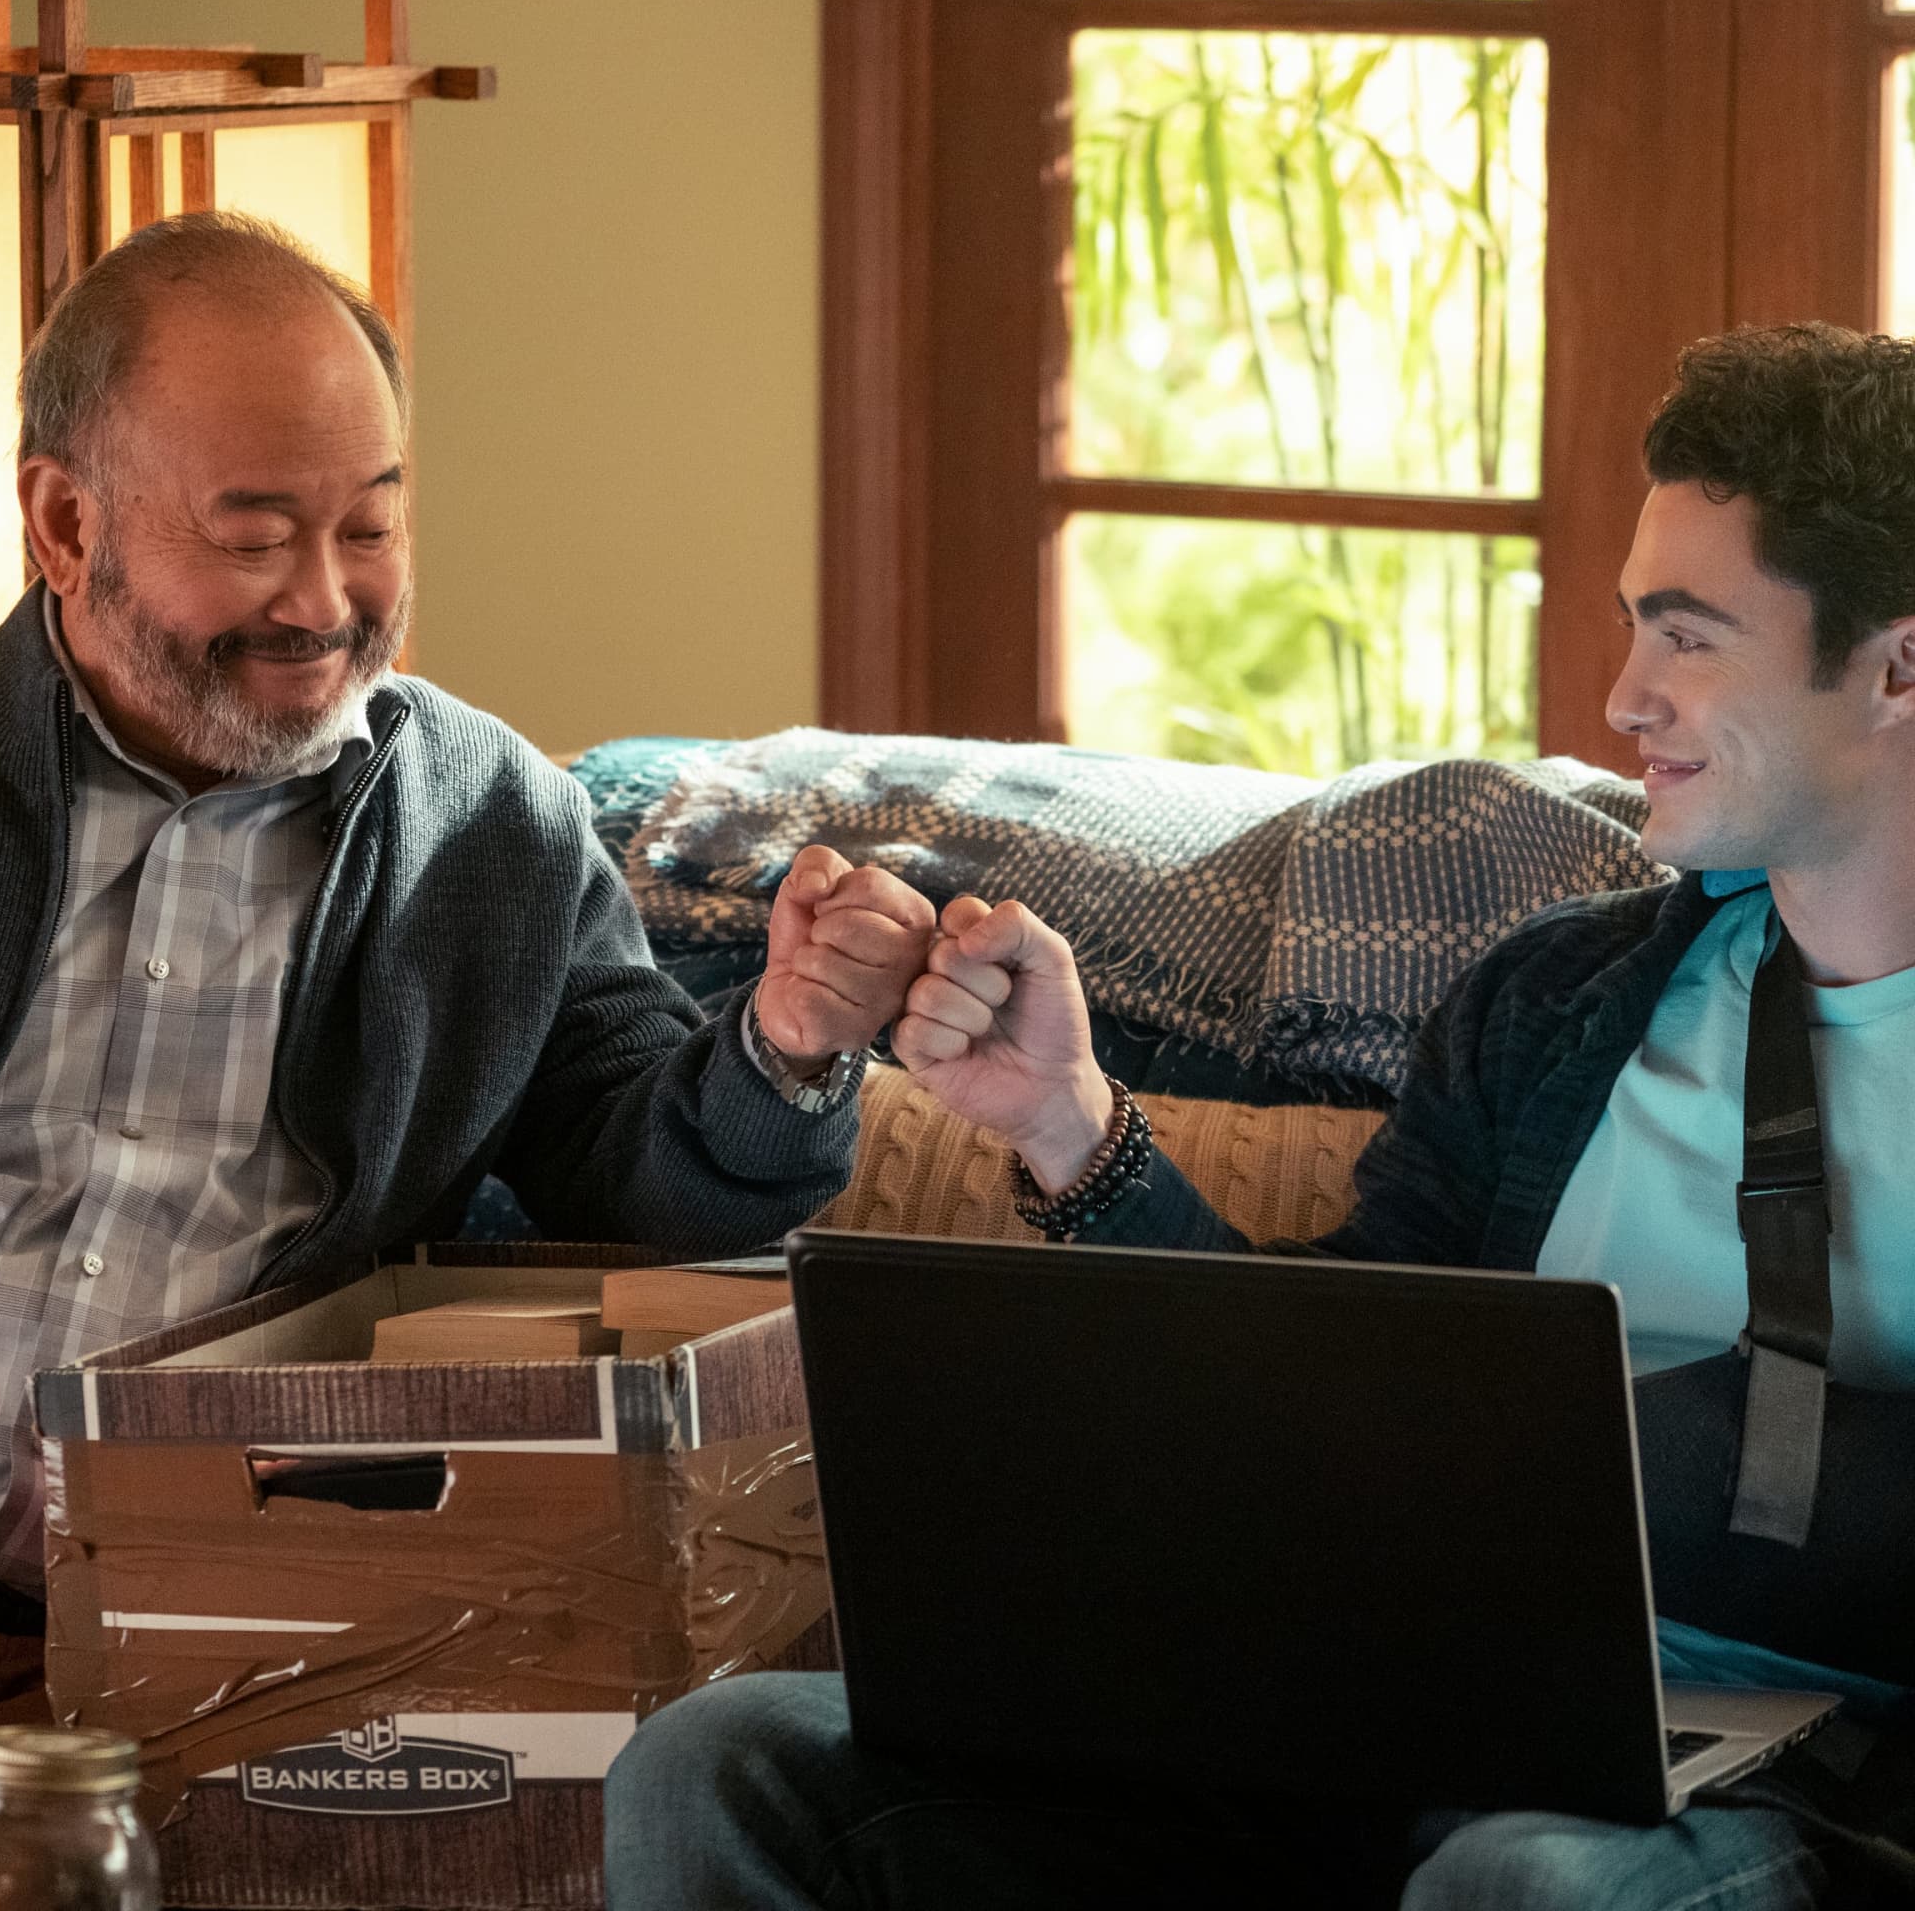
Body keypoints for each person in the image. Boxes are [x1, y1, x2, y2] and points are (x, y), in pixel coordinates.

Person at [603, 322, 1915, 1907]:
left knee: (1526, 1883)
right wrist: (1070, 1125)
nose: (1626, 697)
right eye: (1633, 626)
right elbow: (1328, 1391)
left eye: (1689, 639)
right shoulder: (1561, 999)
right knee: (721, 1762)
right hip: (1400, 1710)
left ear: (1896, 667)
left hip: (1803, 1785)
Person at [0, 212, 935, 1858]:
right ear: (65, 520)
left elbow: (646, 1168)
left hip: (206, 1643)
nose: (325, 601)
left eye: (370, 527)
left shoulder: (489, 830)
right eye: (255, 535)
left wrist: (791, 1045)